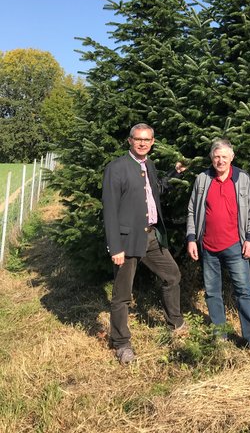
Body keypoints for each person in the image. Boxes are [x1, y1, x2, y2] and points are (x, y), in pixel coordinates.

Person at [102, 123, 187, 364]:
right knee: (122, 295)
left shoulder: (148, 164)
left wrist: (175, 173)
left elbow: (155, 189)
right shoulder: (116, 168)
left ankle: (175, 322)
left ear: (152, 142)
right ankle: (121, 343)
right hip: (127, 241)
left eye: (147, 139)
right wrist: (115, 246)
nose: (142, 143)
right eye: (138, 139)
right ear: (129, 141)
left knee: (172, 275)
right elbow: (109, 210)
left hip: (151, 236)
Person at [186, 139, 250, 350]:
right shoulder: (202, 179)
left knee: (244, 291)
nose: (220, 161)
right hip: (208, 246)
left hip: (236, 246)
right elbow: (193, 210)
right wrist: (192, 238)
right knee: (212, 292)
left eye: (224, 157)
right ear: (212, 158)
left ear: (232, 157)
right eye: (216, 157)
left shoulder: (242, 179)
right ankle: (220, 333)